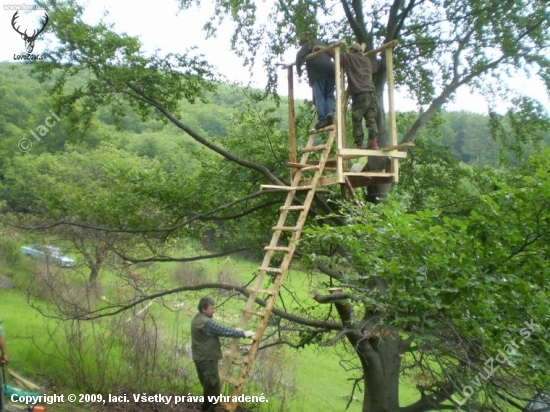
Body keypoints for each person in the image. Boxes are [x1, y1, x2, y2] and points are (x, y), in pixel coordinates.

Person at [191, 297, 254, 412]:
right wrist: (243, 333)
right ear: (203, 309)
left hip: (200, 358)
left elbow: (218, 330)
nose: (213, 310)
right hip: (207, 359)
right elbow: (223, 330)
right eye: (211, 308)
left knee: (208, 387)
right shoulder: (207, 323)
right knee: (212, 388)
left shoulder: (197, 319)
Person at [314, 41, 381, 149]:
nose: (348, 51)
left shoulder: (351, 57)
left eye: (350, 50)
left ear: (353, 50)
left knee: (357, 119)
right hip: (371, 94)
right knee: (371, 119)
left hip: (360, 94)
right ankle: (373, 142)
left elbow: (335, 53)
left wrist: (321, 48)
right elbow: (376, 67)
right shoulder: (368, 61)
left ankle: (359, 145)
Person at [296, 37, 336, 130]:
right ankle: (329, 113)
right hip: (330, 72)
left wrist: (298, 70)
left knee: (319, 97)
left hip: (318, 73)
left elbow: (299, 55)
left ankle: (322, 120)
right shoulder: (322, 43)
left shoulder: (309, 43)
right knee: (329, 95)